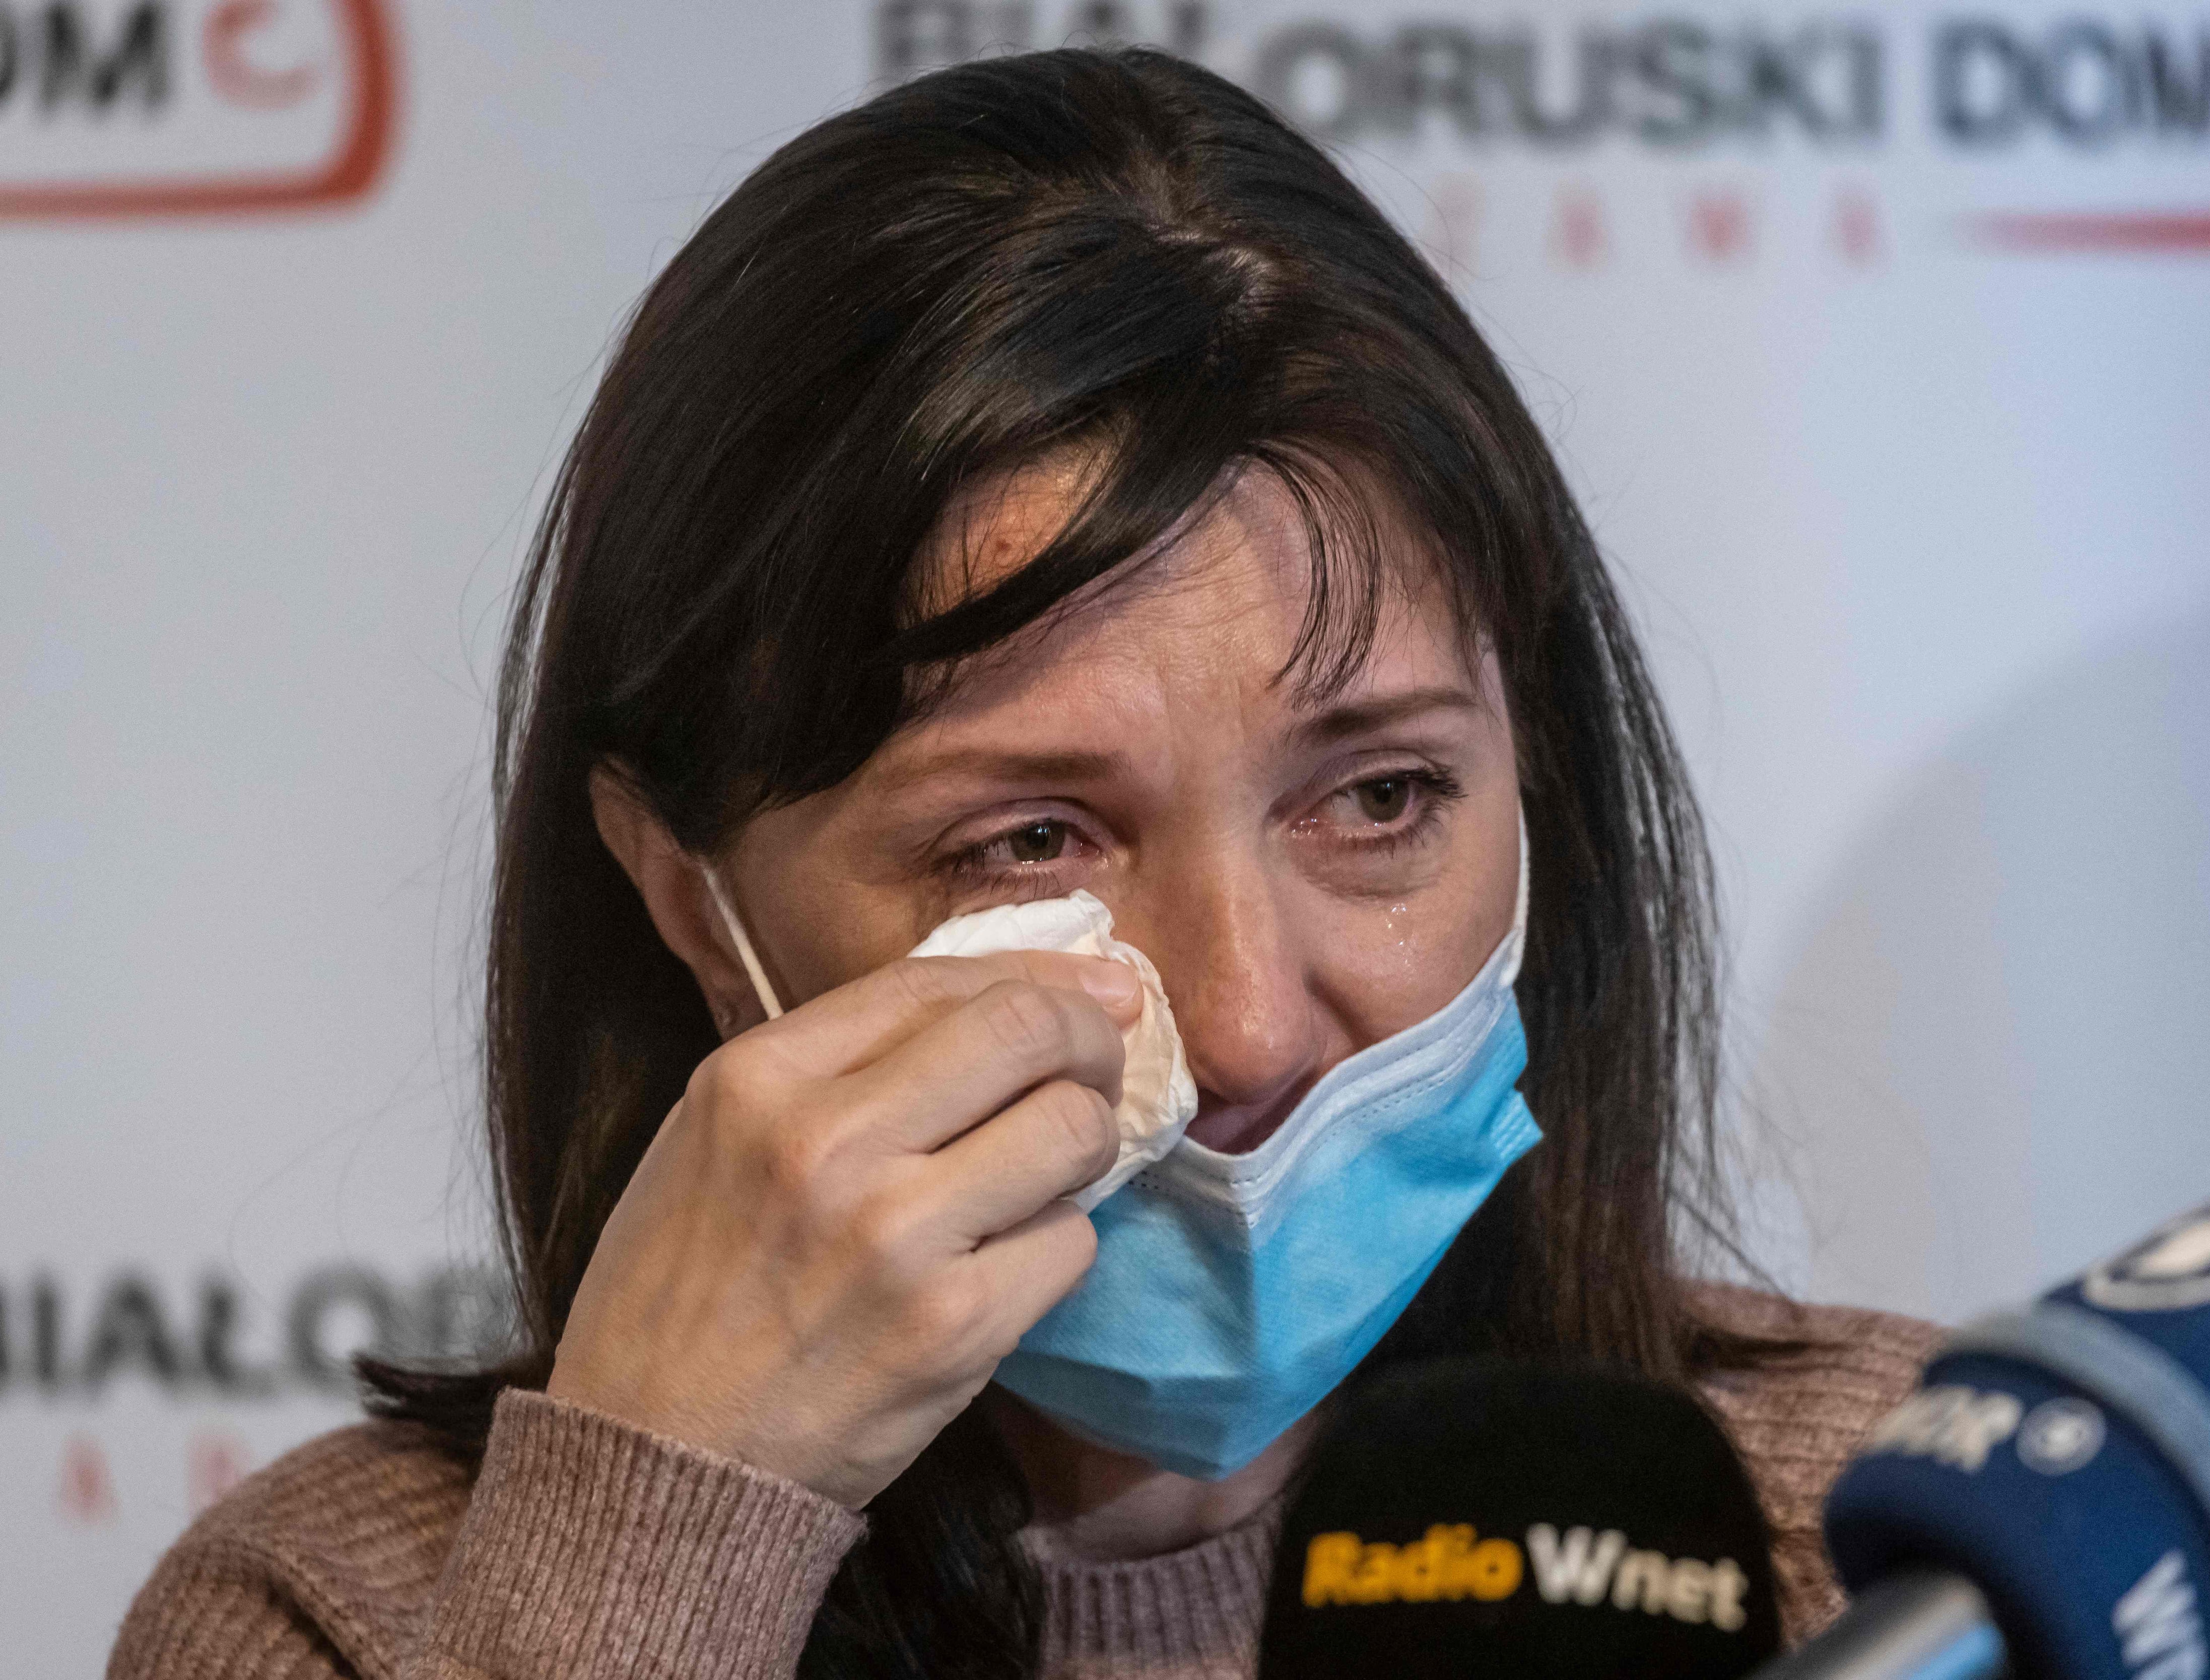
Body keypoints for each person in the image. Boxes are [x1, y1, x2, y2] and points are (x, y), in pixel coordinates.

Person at [110, 47, 1934, 1680]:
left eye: (1380, 798)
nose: (1246, 1029)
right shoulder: (341, 1625)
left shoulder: (1904, 1557)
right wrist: (658, 1551)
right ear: (690, 900)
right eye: (1032, 842)